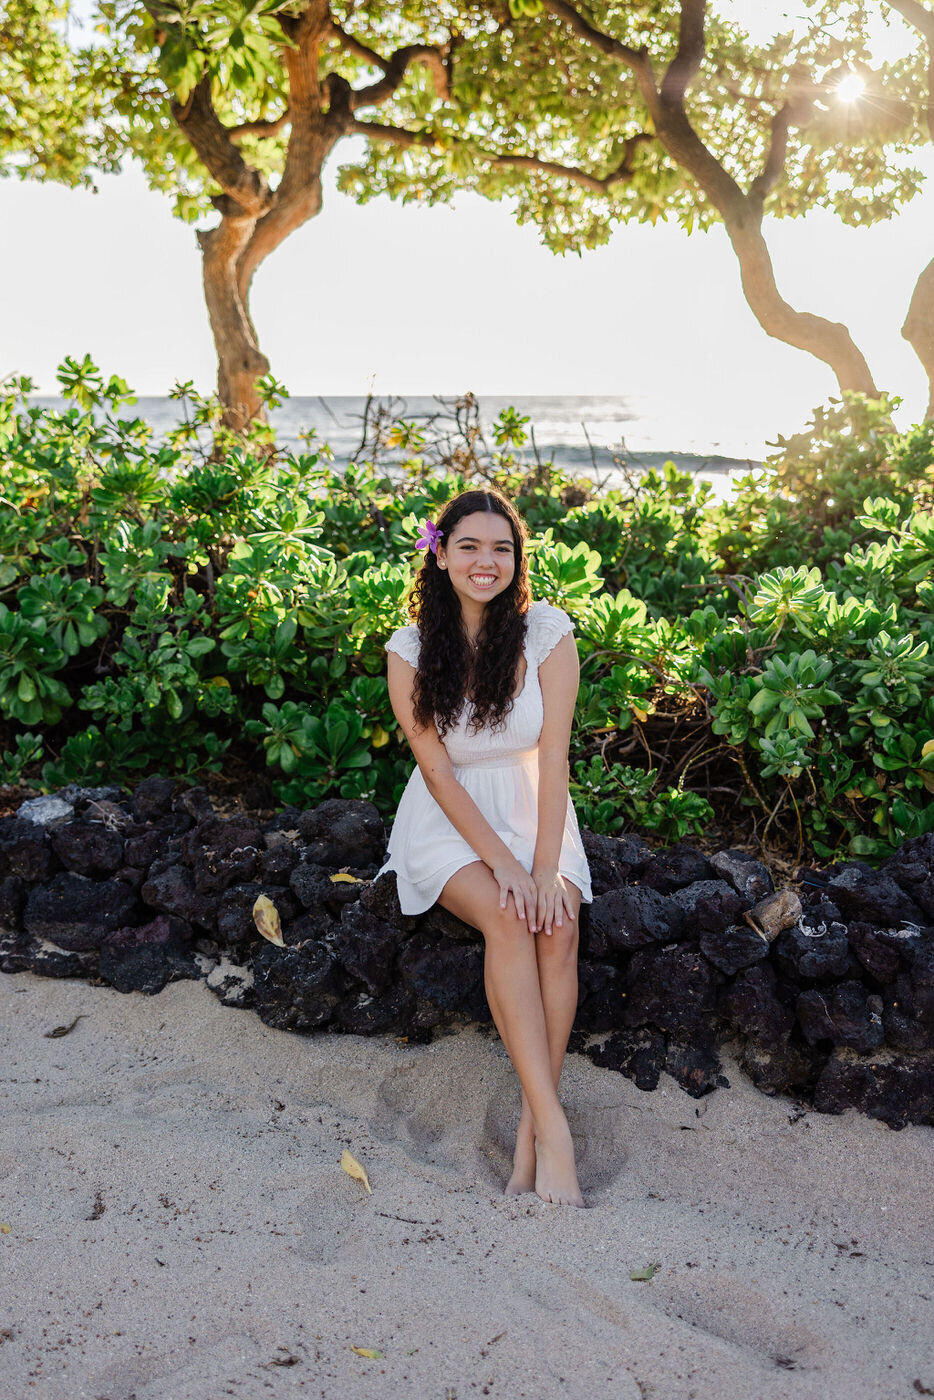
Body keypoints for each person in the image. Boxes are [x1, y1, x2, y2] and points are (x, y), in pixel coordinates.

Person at [377, 488, 593, 1208]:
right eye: (469, 545)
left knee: (556, 923)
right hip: (449, 819)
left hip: (534, 807)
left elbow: (556, 757)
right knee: (508, 915)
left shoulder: (548, 634)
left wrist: (540, 863)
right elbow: (436, 770)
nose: (486, 561)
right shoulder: (409, 651)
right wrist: (504, 866)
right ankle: (558, 1133)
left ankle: (532, 1131)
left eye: (502, 548)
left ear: (516, 560)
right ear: (438, 555)